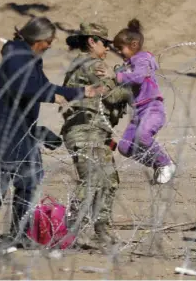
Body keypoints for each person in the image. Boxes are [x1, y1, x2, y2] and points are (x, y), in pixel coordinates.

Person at [0, 17, 105, 250]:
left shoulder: (30, 58)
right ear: (38, 39)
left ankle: (20, 233)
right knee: (0, 180)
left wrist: (81, 92)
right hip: (5, 128)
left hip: (23, 129)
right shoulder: (16, 56)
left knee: (30, 179)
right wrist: (53, 95)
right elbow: (25, 88)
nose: (49, 46)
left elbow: (43, 86)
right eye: (48, 42)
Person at [61, 22, 131, 248]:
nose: (108, 48)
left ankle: (102, 232)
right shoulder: (92, 65)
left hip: (96, 131)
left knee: (108, 180)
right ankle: (67, 230)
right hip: (84, 130)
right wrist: (127, 80)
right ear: (92, 41)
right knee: (91, 181)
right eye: (105, 43)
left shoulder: (84, 64)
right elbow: (112, 96)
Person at [97, 19, 176, 184]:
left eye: (121, 49)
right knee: (125, 148)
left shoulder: (142, 59)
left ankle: (166, 163)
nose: (119, 52)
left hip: (152, 107)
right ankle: (157, 164)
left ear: (134, 44)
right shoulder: (129, 63)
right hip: (138, 111)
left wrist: (117, 76)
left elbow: (139, 78)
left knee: (143, 136)